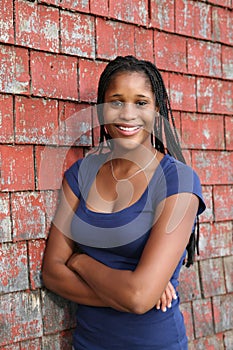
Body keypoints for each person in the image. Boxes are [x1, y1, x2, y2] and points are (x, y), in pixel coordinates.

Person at [42, 55, 206, 349]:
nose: (127, 113)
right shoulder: (81, 174)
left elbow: (139, 297)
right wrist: (128, 295)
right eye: (116, 101)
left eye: (141, 102)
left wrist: (79, 260)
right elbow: (53, 273)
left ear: (157, 111)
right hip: (89, 343)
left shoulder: (177, 181)